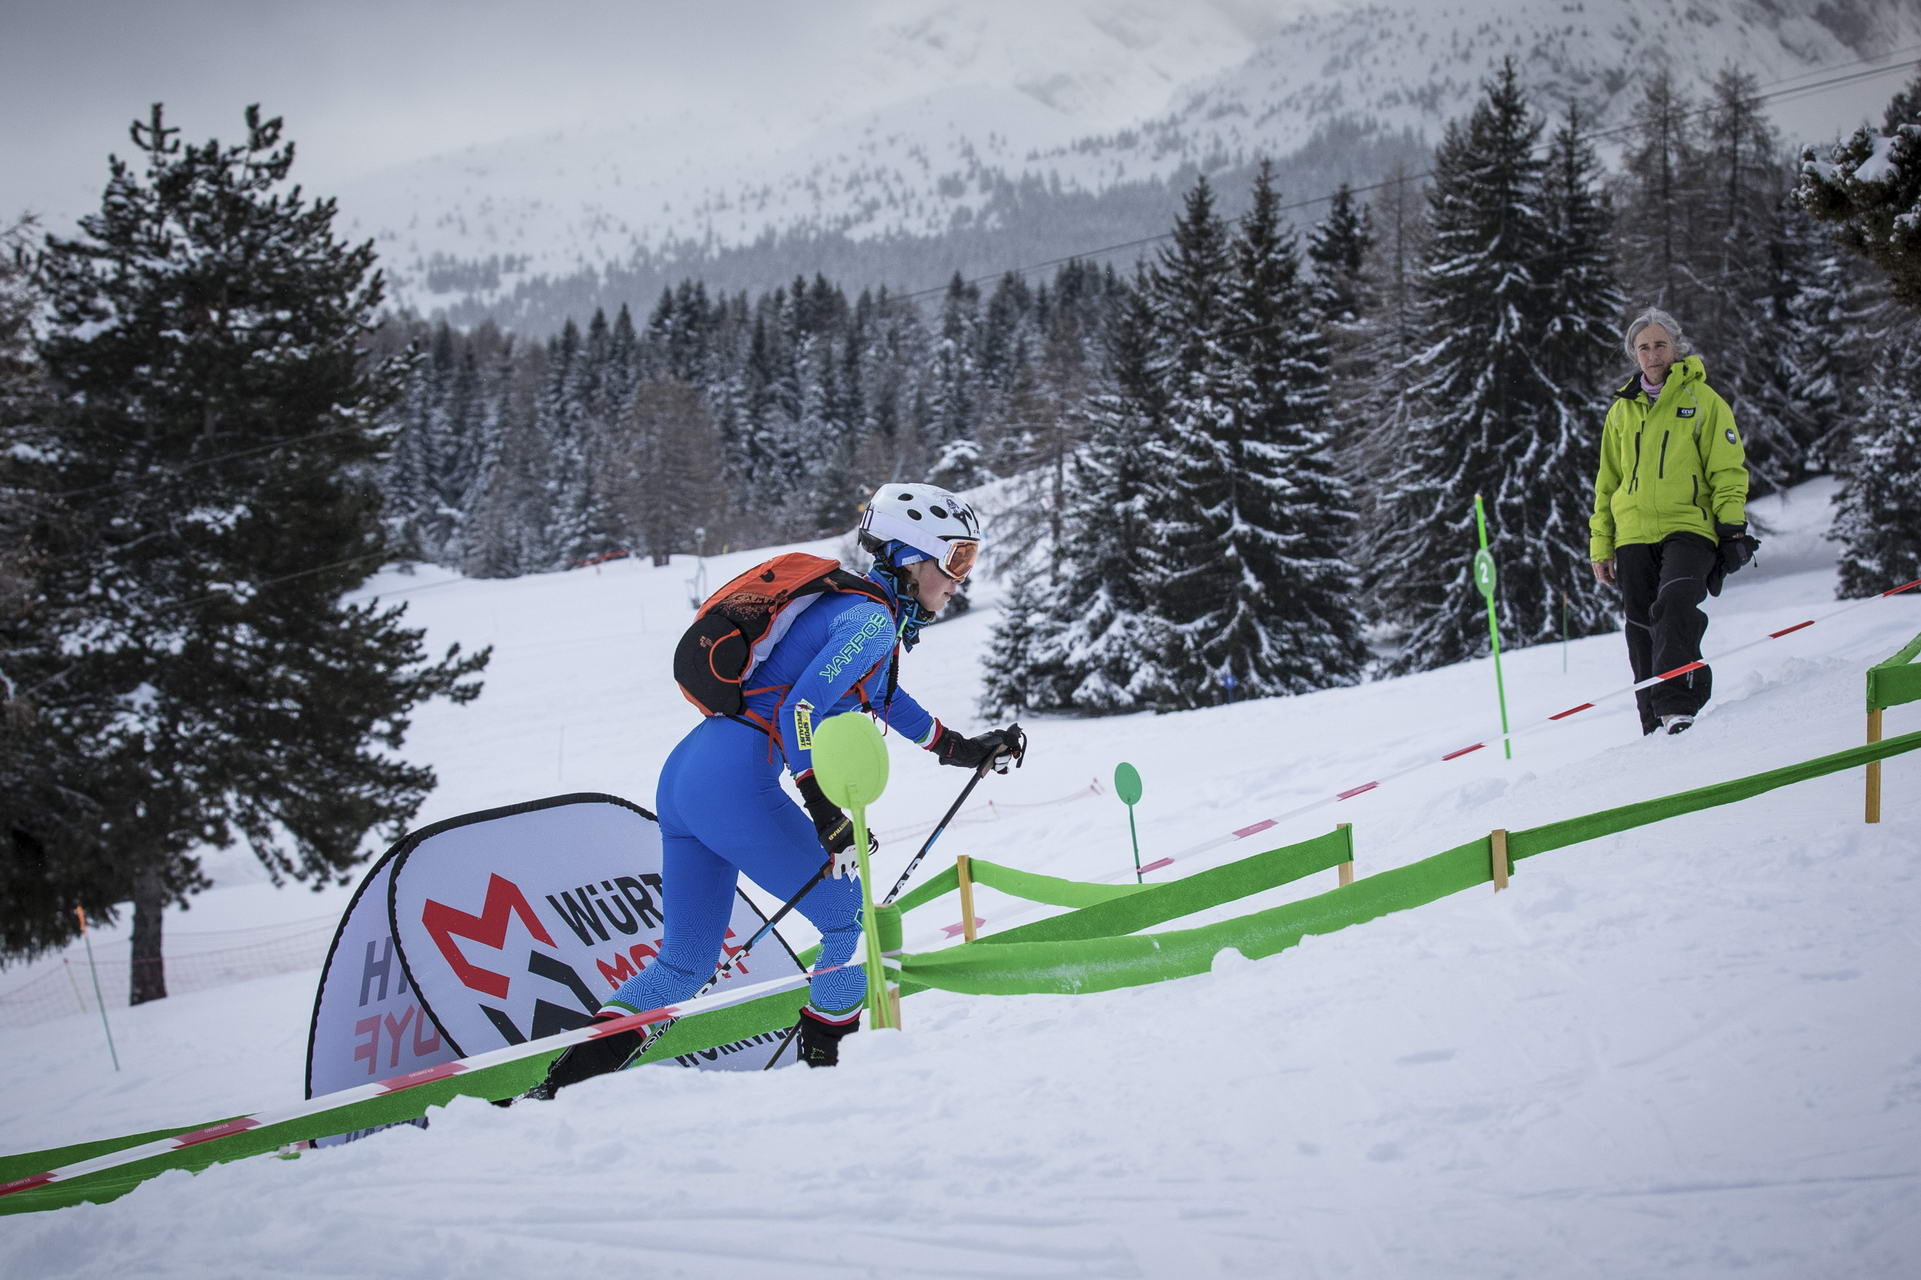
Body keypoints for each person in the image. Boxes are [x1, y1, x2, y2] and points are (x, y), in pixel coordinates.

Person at [534, 483, 1024, 1094]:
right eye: (956, 560)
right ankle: (829, 1080)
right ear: (910, 556)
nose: (960, 580)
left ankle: (555, 1090)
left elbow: (885, 699)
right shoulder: (869, 619)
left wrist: (960, 748)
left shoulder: (855, 612)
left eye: (969, 562)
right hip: (737, 781)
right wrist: (823, 810)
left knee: (682, 965)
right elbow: (801, 712)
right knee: (852, 922)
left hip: (690, 773)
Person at [1589, 308, 1753, 736]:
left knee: (1676, 604)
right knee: (1640, 625)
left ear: (1676, 347)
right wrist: (1601, 545)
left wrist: (1732, 528)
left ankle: (1678, 706)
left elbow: (1727, 468)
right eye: (1643, 347)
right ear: (1634, 355)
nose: (1652, 353)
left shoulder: (1703, 401)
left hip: (1690, 527)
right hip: (1634, 533)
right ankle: (1651, 723)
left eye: (1660, 344)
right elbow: (1607, 483)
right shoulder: (1621, 412)